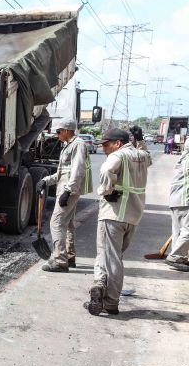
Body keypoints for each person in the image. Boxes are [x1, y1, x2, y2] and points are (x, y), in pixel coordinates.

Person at [84, 128, 152, 316]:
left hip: (114, 214)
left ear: (118, 143)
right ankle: (102, 288)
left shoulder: (118, 155)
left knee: (109, 257)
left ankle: (109, 299)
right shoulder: (141, 155)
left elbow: (106, 169)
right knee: (112, 256)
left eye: (106, 145)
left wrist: (107, 191)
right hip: (133, 216)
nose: (104, 149)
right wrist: (140, 140)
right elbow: (148, 155)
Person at [36, 118, 92, 272]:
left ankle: (60, 261)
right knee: (68, 224)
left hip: (69, 191)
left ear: (67, 131)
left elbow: (77, 170)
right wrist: (46, 180)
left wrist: (68, 191)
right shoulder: (69, 146)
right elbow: (62, 173)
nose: (57, 134)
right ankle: (69, 256)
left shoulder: (78, 145)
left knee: (56, 223)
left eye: (59, 131)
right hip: (66, 188)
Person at [166, 140, 189, 271]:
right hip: (185, 200)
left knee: (178, 231)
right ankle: (175, 256)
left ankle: (178, 260)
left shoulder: (181, 159)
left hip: (175, 201)